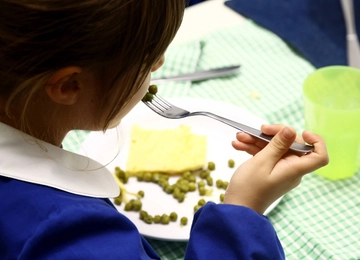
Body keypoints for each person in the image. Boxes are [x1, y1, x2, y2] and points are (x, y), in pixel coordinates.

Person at [0, 0, 328, 259]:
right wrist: (242, 210)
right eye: (148, 57)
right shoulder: (70, 233)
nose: (160, 65)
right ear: (70, 85)